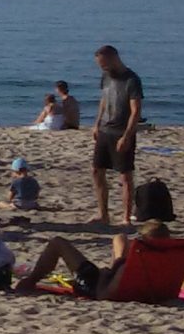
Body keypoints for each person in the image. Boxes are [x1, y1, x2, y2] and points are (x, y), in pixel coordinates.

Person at [16, 220, 175, 299]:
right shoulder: (169, 256)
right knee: (120, 238)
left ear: (144, 239)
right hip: (140, 287)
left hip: (94, 286)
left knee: (58, 243)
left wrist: (104, 275)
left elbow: (106, 293)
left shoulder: (136, 261)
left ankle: (30, 281)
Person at [90, 45, 144, 225]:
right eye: (100, 65)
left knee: (125, 176)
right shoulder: (106, 77)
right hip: (105, 129)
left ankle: (126, 217)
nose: (102, 68)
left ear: (114, 58)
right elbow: (104, 100)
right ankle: (103, 214)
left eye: (104, 64)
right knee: (97, 171)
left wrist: (127, 136)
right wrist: (96, 123)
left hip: (121, 131)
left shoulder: (132, 79)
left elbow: (136, 111)